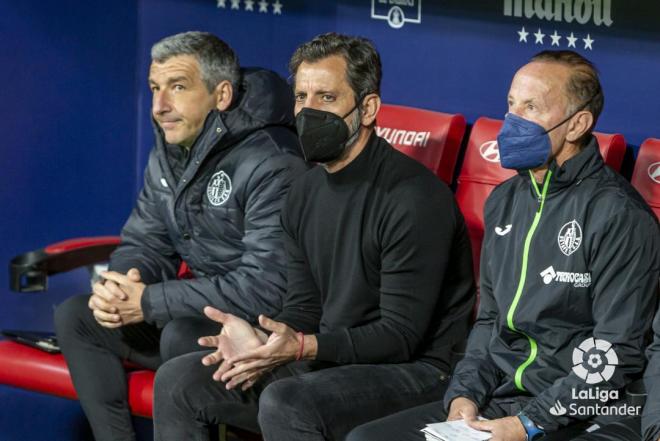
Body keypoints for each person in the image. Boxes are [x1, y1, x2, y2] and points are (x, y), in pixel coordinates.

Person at [152, 32, 476, 441]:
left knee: (288, 402)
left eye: (326, 98)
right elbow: (304, 305)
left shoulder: (414, 199)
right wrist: (268, 341)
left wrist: (303, 347)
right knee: (181, 381)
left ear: (369, 108)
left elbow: (400, 337)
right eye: (302, 97)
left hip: (420, 369)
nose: (308, 111)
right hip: (335, 353)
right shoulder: (304, 190)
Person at [346, 50, 660, 441]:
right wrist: (463, 397)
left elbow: (616, 353)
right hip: (501, 398)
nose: (512, 121)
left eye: (531, 107)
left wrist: (529, 424)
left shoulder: (619, 215)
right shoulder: (505, 200)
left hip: (578, 410)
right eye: (511, 104)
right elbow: (491, 321)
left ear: (578, 123)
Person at [53, 31, 306, 441]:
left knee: (180, 333)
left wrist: (149, 302)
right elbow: (145, 241)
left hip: (265, 334)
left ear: (221, 95)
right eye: (155, 88)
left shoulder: (273, 161)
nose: (159, 106)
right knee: (78, 316)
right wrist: (124, 284)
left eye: (178, 87)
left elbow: (267, 288)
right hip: (198, 314)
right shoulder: (170, 149)